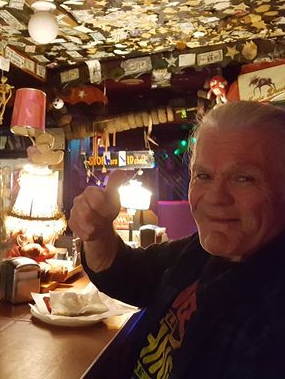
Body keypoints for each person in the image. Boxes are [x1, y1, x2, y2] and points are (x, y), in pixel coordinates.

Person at [68, 100, 285, 379]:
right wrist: (98, 234)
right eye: (203, 176)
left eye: (243, 178)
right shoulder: (200, 252)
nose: (215, 197)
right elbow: (128, 274)